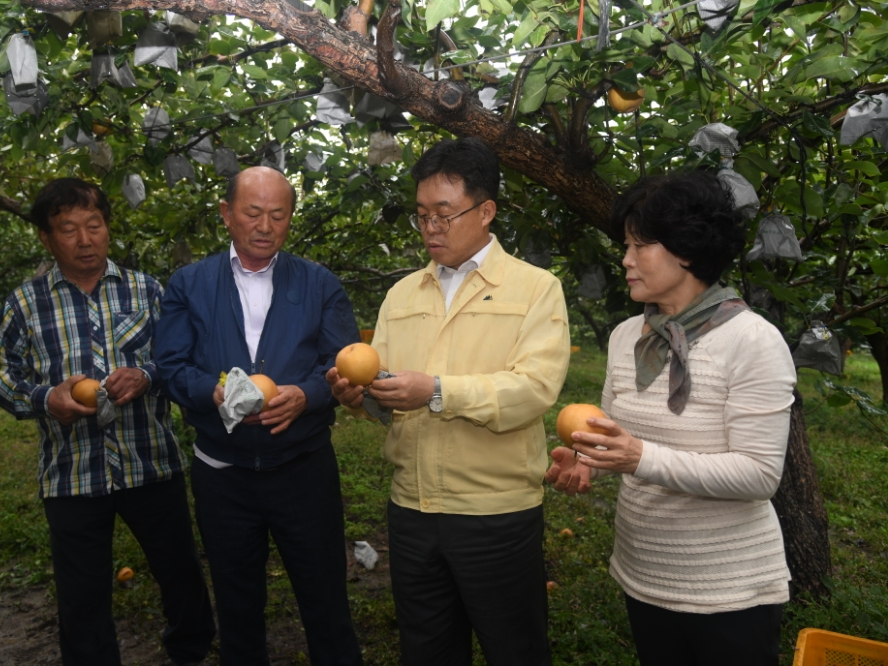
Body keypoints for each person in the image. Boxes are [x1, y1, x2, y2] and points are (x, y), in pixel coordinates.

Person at [328, 137, 571, 665]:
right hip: (412, 511)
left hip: (494, 513)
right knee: (428, 649)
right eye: (421, 216)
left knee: (516, 649)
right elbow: (387, 394)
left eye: (444, 214)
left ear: (486, 212)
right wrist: (359, 397)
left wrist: (435, 391)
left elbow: (533, 390)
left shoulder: (535, 289)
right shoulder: (403, 294)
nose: (431, 229)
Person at [545, 170, 796, 666]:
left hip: (729, 591)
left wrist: (639, 457)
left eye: (641, 246)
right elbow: (614, 433)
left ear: (686, 249)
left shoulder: (752, 341)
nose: (626, 260)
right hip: (645, 576)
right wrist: (586, 459)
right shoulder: (625, 338)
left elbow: (759, 475)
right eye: (625, 245)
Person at [0, 178, 215, 666]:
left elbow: (182, 360)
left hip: (149, 463)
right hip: (72, 473)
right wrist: (47, 399)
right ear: (47, 238)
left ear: (108, 227)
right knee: (82, 597)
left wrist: (148, 375)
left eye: (95, 225)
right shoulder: (25, 303)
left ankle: (190, 652)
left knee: (181, 575)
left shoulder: (147, 290)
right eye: (69, 229)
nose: (85, 239)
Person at [154, 166, 364, 666]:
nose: (265, 226)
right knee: (237, 604)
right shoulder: (189, 283)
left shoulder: (319, 283)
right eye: (252, 213)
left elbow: (343, 363)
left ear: (290, 220)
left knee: (326, 602)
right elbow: (171, 367)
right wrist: (216, 392)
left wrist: (308, 395)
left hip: (302, 469)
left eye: (278, 214)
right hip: (223, 477)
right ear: (227, 214)